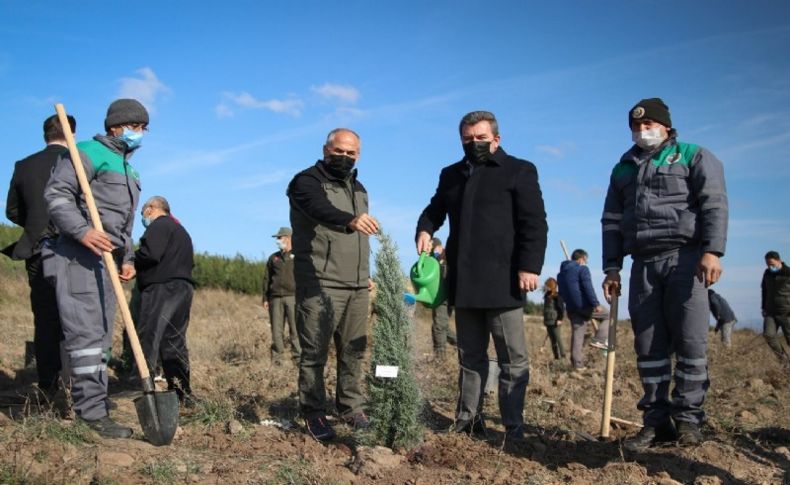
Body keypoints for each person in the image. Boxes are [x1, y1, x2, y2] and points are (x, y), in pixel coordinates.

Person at [601, 98, 728, 451]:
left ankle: (688, 420)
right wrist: (612, 266)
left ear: (667, 127)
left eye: (650, 125)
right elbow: (611, 221)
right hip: (643, 264)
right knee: (649, 347)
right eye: (637, 127)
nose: (643, 131)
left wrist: (712, 251)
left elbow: (714, 203)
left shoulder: (693, 155)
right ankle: (657, 422)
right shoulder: (622, 169)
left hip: (686, 260)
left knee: (690, 342)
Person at [416, 110, 548, 441]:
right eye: (467, 139)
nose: (474, 144)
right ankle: (467, 421)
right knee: (470, 357)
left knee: (512, 360)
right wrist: (425, 227)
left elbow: (534, 223)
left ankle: (513, 427)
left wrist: (530, 266)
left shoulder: (519, 170)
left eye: (481, 138)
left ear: (496, 139)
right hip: (464, 282)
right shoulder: (451, 175)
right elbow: (435, 209)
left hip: (504, 281)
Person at [43, 98, 148, 438]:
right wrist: (82, 230)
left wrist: (127, 258)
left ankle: (91, 399)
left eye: (144, 128)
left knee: (100, 335)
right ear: (116, 126)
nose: (140, 133)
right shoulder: (85, 151)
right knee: (86, 335)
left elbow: (125, 225)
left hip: (108, 261)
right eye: (136, 126)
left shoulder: (130, 170)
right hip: (77, 255)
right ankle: (91, 413)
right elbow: (57, 195)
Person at [287, 128, 377, 442]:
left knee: (354, 351)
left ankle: (350, 407)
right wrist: (349, 219)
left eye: (351, 153)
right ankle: (313, 413)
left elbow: (358, 241)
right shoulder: (306, 181)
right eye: (339, 151)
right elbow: (317, 208)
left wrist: (364, 272)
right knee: (315, 353)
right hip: (320, 282)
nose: (344, 157)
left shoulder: (360, 188)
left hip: (356, 285)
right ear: (327, 149)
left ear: (358, 156)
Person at [3, 114, 76, 394]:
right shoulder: (78, 164)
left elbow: (12, 211)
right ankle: (72, 385)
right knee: (74, 317)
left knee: (45, 318)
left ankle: (48, 386)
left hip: (35, 249)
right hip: (73, 250)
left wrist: (36, 223)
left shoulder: (24, 166)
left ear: (45, 134)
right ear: (71, 133)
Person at [134, 196, 196, 406]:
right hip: (183, 289)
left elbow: (150, 254)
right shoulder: (181, 231)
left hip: (162, 288)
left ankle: (145, 389)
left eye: (143, 213)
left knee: (149, 335)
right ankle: (181, 392)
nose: (143, 217)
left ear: (151, 209)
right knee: (174, 341)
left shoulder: (160, 226)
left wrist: (132, 262)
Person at [557, 249, 609, 370]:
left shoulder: (561, 274)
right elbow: (588, 287)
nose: (586, 263)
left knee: (577, 336)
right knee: (609, 315)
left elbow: (561, 293)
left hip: (571, 308)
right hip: (584, 306)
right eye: (586, 260)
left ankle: (577, 365)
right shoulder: (582, 269)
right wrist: (596, 304)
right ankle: (600, 339)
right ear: (582, 259)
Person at [262, 227, 300, 366]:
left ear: (288, 238)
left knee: (295, 329)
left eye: (279, 238)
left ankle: (298, 359)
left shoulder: (299, 256)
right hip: (275, 299)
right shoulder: (273, 258)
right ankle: (277, 361)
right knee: (276, 331)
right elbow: (267, 279)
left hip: (294, 298)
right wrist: (265, 298)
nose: (277, 241)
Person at [429, 237, 457, 360]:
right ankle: (460, 344)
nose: (433, 251)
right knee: (440, 326)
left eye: (434, 248)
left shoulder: (449, 257)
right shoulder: (430, 259)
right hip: (437, 297)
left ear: (440, 247)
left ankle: (439, 359)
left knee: (439, 327)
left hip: (447, 297)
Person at [761, 250, 790, 361]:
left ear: (780, 261)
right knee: (768, 335)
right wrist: (763, 307)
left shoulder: (788, 273)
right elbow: (764, 290)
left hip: (787, 312)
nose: (770, 267)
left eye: (772, 264)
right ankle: (784, 360)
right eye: (768, 265)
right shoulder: (767, 273)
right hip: (770, 312)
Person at [542, 278, 566, 360]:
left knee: (558, 339)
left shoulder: (557, 296)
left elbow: (561, 308)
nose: (545, 286)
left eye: (546, 284)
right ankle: (556, 357)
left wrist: (560, 319)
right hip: (548, 321)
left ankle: (563, 356)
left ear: (550, 285)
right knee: (553, 341)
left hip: (555, 321)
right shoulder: (546, 295)